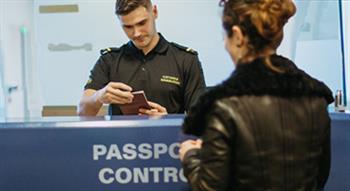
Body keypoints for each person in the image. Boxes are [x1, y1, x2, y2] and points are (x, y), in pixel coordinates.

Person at [179, 0, 333, 190]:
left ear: (237, 36)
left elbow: (209, 188)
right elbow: (320, 177)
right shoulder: (316, 97)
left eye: (225, 36)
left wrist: (191, 155)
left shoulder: (223, 105)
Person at [78, 0, 206, 116]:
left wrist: (170, 121)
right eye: (128, 27)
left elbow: (201, 119)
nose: (136, 33)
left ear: (154, 12)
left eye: (142, 23)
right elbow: (82, 112)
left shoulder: (186, 59)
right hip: (120, 141)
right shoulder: (109, 60)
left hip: (170, 141)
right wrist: (99, 96)